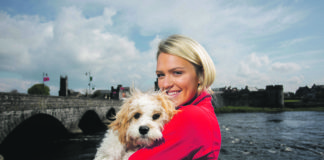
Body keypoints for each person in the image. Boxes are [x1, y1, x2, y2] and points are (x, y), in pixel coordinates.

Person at [129, 34, 221, 160]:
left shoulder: (191, 117)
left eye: (177, 73)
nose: (165, 84)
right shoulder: (204, 112)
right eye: (161, 75)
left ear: (201, 76)